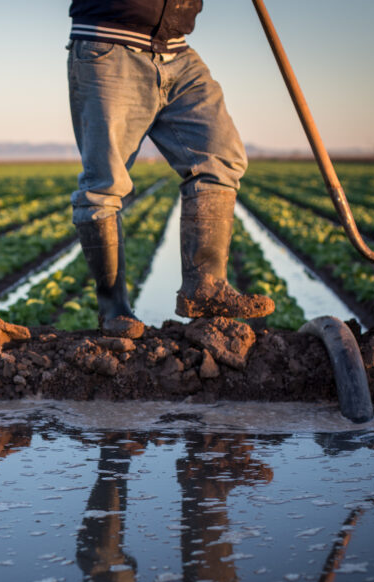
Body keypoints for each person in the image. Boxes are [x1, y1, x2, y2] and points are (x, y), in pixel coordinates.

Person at [67, 0, 274, 339]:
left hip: (176, 50)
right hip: (108, 44)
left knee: (220, 157)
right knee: (104, 184)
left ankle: (204, 288)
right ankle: (113, 309)